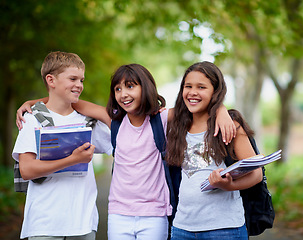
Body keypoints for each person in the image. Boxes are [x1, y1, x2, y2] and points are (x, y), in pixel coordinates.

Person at [16, 63, 236, 240]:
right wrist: (35, 102)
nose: (123, 94)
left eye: (130, 86)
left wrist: (222, 110)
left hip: (155, 214)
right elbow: (73, 103)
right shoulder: (115, 122)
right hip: (118, 213)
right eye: (118, 89)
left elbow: (195, 103)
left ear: (145, 88)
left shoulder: (161, 120)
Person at [12, 51, 112, 240]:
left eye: (82, 80)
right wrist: (73, 160)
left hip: (83, 223)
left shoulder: (89, 121)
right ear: (51, 80)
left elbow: (120, 135)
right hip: (44, 224)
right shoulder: (32, 119)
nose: (79, 85)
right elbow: (26, 169)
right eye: (73, 78)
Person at [166, 61, 263, 240]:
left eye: (201, 87)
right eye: (188, 86)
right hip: (182, 228)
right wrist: (221, 108)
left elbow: (256, 174)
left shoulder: (230, 126)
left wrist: (228, 185)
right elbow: (150, 113)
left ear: (215, 92)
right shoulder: (176, 122)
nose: (193, 92)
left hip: (225, 229)